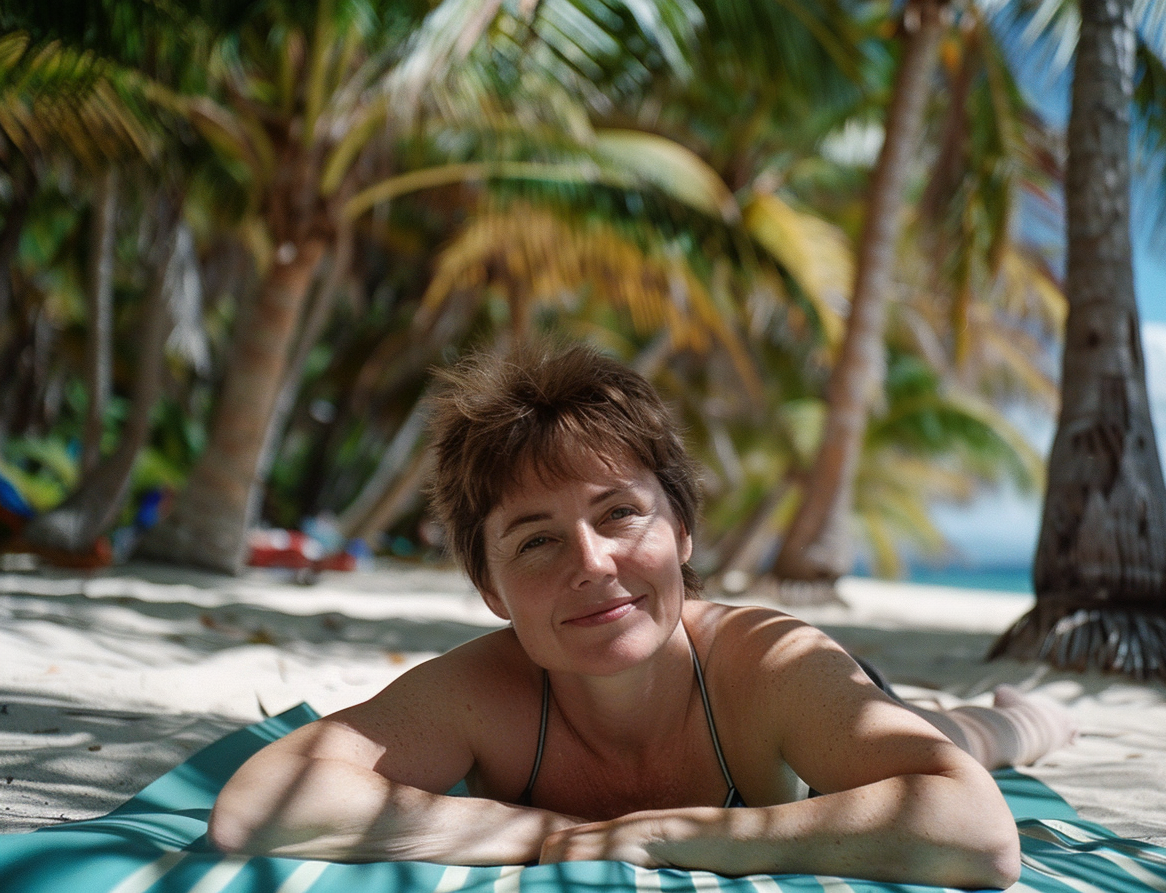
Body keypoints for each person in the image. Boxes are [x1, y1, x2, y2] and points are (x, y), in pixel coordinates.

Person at [208, 344, 1073, 889]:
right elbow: (257, 806)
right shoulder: (481, 688)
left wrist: (675, 837)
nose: (592, 563)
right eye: (537, 541)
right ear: (490, 589)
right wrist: (547, 834)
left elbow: (979, 833)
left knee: (955, 737)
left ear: (683, 530)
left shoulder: (768, 660)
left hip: (822, 713)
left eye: (621, 514)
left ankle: (1025, 715)